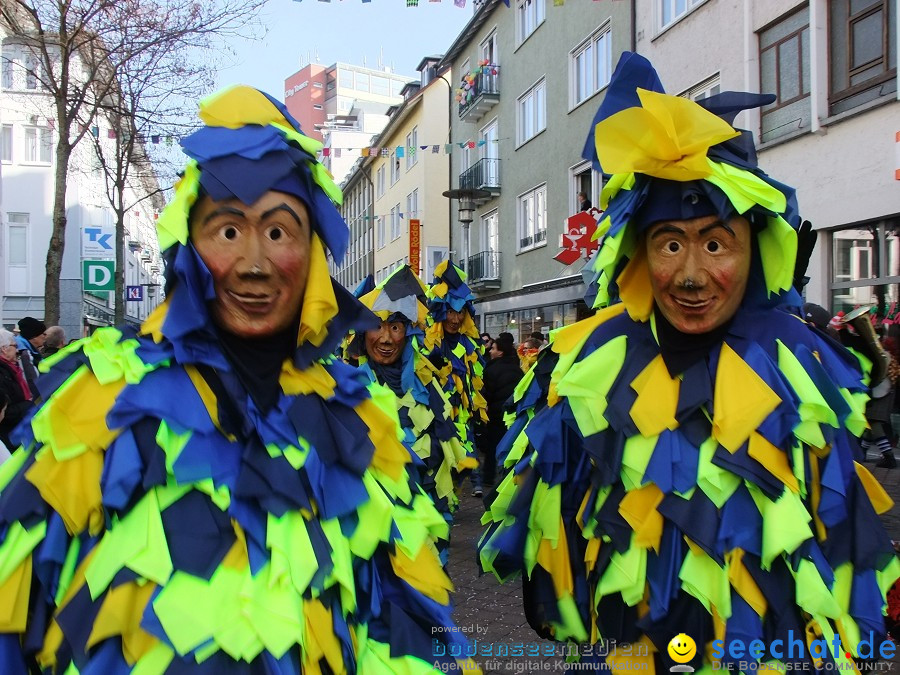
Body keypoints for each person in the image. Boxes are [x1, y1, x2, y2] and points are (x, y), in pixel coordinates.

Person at [0, 85, 477, 673]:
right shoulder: (100, 404)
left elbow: (402, 620)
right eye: (228, 231)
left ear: (315, 254)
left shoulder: (357, 421)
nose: (254, 262)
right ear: (189, 246)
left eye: (279, 232)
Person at [479, 53, 897, 672]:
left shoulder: (797, 364)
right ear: (639, 254)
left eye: (716, 242)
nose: (694, 276)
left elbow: (836, 538)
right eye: (670, 244)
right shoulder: (590, 366)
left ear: (753, 249)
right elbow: (557, 539)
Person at [347, 265, 474, 563]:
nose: (387, 338)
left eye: (395, 326)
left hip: (422, 525)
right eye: (377, 326)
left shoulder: (428, 388)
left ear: (407, 333)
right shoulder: (349, 391)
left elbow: (445, 456)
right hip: (371, 530)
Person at [425, 260, 487, 496]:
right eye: (450, 311)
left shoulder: (468, 343)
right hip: (437, 409)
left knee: (466, 439)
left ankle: (474, 479)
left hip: (461, 408)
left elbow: (475, 376)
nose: (455, 318)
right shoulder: (428, 341)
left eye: (460, 312)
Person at [478, 332, 522, 493]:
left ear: (500, 351)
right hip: (511, 414)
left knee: (491, 449)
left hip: (495, 415)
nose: (490, 351)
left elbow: (486, 393)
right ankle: (508, 476)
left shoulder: (491, 369)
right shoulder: (517, 368)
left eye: (494, 348)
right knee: (509, 445)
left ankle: (488, 477)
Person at [0, 329, 33, 453]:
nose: (18, 350)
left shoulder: (11, 369)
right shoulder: (3, 373)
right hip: (7, 436)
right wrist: (28, 406)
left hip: (13, 432)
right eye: (15, 346)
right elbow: (4, 408)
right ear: (4, 348)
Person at [15, 316, 45, 398]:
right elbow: (33, 380)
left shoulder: (29, 350)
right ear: (34, 336)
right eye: (43, 333)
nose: (44, 336)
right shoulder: (24, 353)